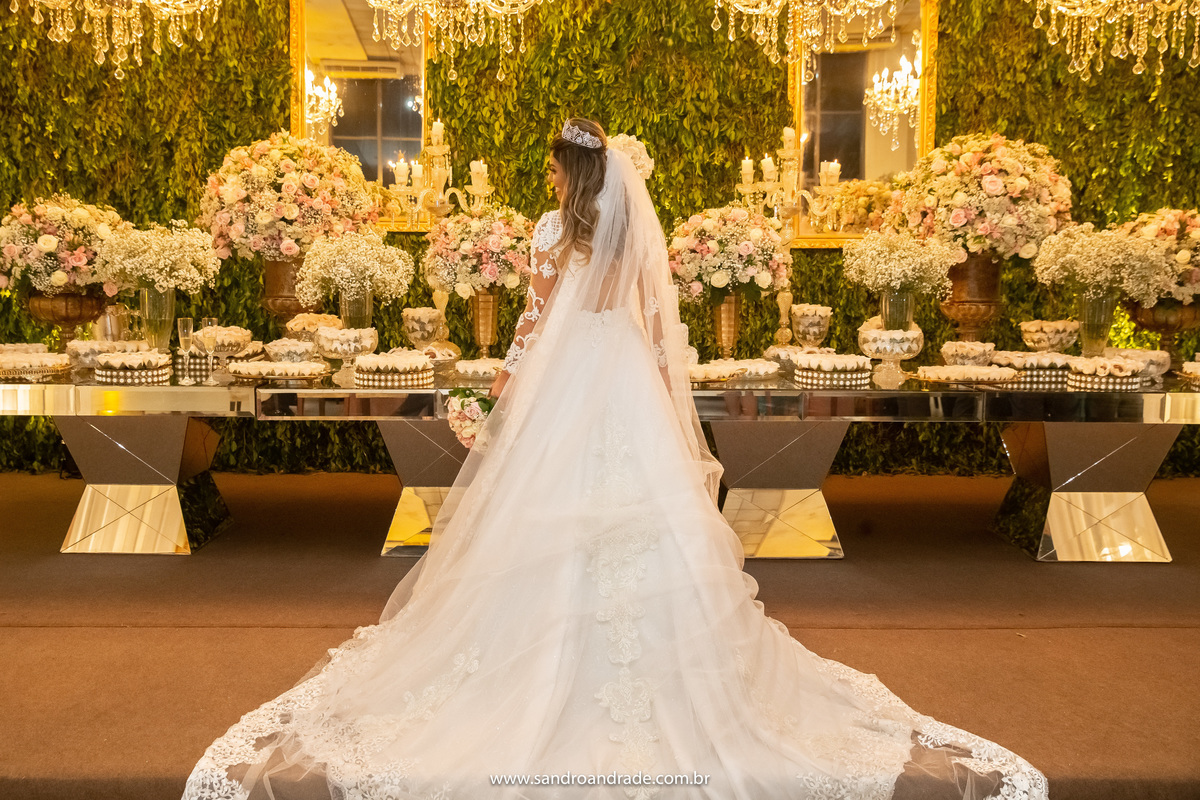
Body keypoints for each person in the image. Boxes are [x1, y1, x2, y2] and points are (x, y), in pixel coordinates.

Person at [183, 118, 1048, 800]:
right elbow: (652, 326)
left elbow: (529, 330)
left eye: (555, 168)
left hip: (567, 383)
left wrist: (492, 398)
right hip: (623, 380)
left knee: (539, 522)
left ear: (571, 171)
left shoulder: (548, 234)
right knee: (646, 522)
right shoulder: (631, 227)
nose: (551, 180)